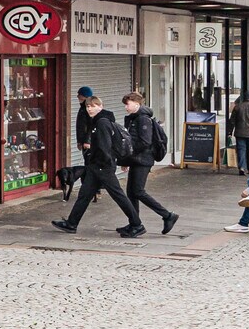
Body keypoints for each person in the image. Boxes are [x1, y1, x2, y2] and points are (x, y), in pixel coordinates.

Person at [52, 98, 143, 238]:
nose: (90, 109)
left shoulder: (102, 123)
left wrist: (102, 163)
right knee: (84, 194)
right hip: (96, 166)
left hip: (103, 166)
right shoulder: (99, 121)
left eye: (93, 106)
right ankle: (71, 223)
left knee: (118, 195)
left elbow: (104, 146)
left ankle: (137, 224)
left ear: (101, 106)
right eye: (88, 106)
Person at [119, 91, 179, 236]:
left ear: (136, 104)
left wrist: (128, 154)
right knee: (131, 193)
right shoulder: (134, 118)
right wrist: (126, 159)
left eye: (127, 104)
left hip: (143, 160)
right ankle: (134, 223)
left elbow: (144, 142)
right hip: (136, 160)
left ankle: (167, 215)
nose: (125, 107)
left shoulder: (143, 119)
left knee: (138, 191)